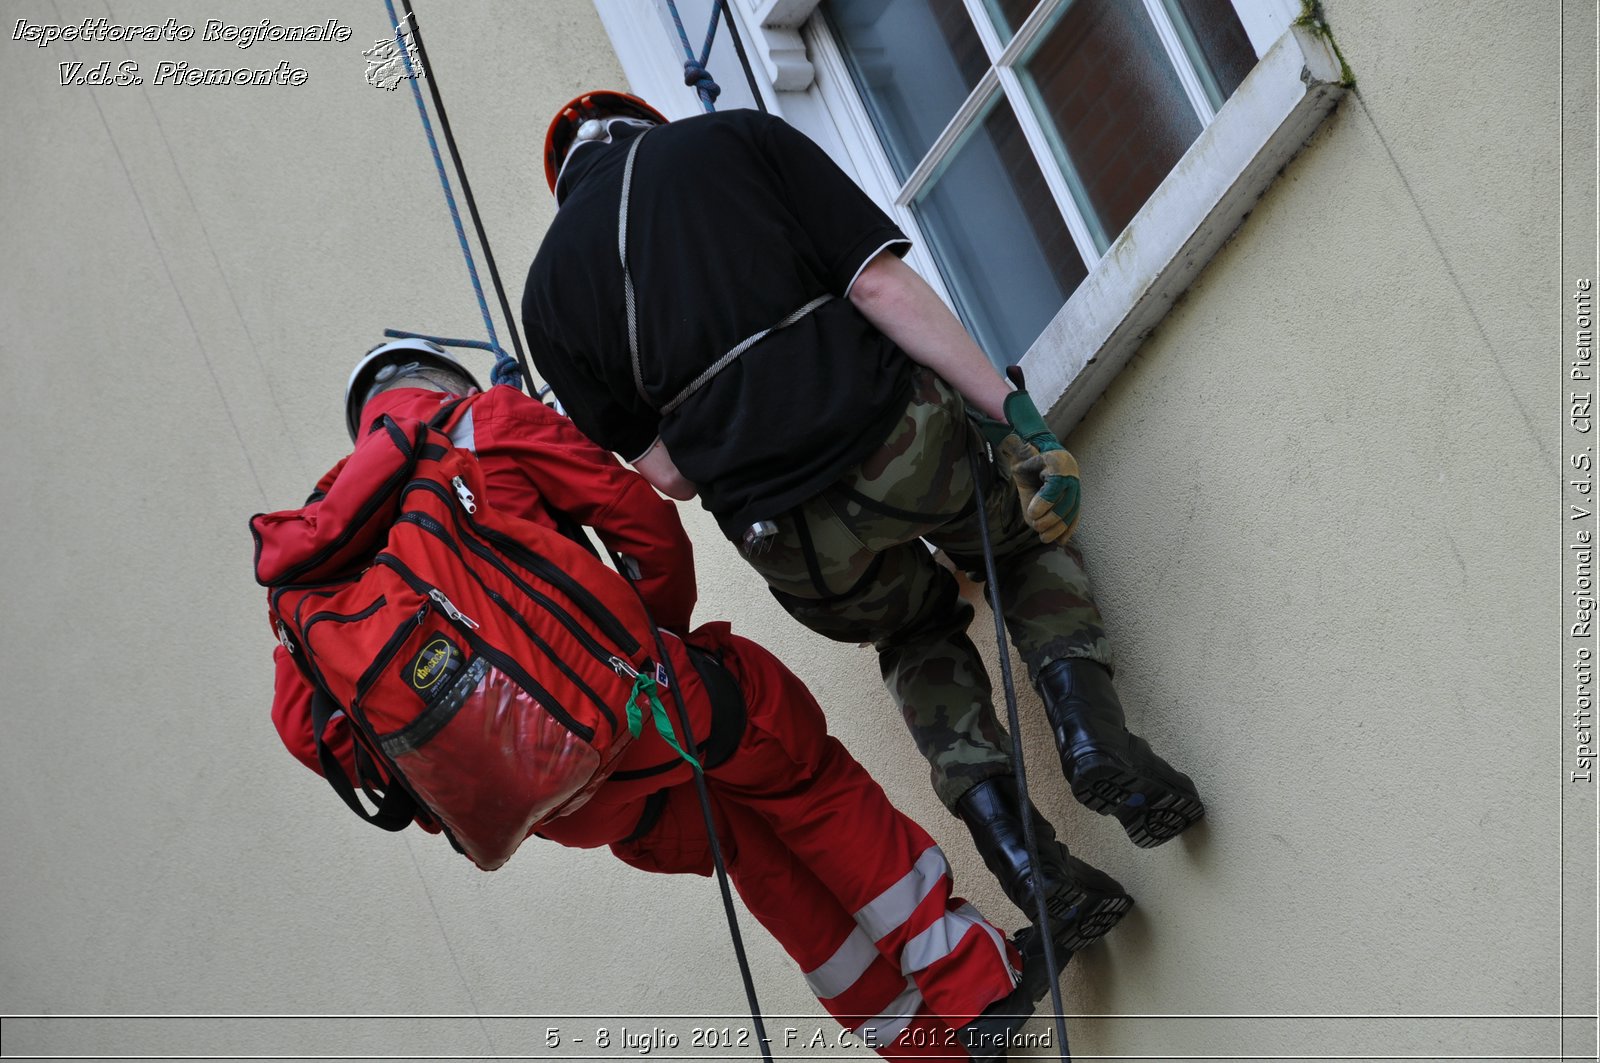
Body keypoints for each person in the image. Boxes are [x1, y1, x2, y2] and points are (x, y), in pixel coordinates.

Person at [521, 93, 1206, 958]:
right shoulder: (734, 139)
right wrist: (1014, 415)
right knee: (1020, 544)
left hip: (789, 537)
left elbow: (669, 476)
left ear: (564, 179)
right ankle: (1090, 734)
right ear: (643, 123)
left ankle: (1030, 870)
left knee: (916, 635)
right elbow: (877, 285)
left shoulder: (546, 298)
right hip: (892, 433)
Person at [267, 339, 1046, 1062]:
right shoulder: (481, 421)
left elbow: (311, 735)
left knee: (750, 844)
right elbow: (640, 523)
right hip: (643, 707)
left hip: (558, 804)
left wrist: (454, 787)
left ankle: (925, 1049)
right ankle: (973, 987)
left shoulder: (313, 572)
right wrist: (649, 647)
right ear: (442, 382)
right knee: (796, 770)